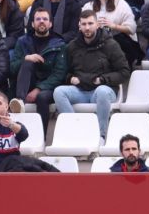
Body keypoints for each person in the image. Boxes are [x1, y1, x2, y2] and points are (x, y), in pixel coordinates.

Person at [52, 10, 129, 141]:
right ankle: (77, 132)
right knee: (59, 92)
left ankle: (101, 135)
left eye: (90, 23)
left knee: (102, 92)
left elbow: (124, 72)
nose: (87, 27)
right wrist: (70, 78)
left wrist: (103, 79)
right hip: (80, 90)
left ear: (97, 24)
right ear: (79, 25)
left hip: (103, 89)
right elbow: (65, 72)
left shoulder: (110, 44)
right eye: (84, 24)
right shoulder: (72, 46)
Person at [9, 9, 64, 132]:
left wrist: (38, 89)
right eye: (38, 19)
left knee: (42, 97)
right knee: (28, 62)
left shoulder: (59, 44)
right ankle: (19, 102)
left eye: (45, 19)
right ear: (32, 24)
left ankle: (41, 138)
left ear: (50, 24)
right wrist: (25, 58)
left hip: (48, 87)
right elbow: (11, 69)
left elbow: (59, 74)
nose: (41, 22)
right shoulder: (22, 41)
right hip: (24, 85)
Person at [83, 0, 141, 66]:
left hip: (119, 42)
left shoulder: (121, 4)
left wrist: (114, 26)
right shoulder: (88, 6)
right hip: (95, 41)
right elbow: (80, 27)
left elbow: (132, 29)